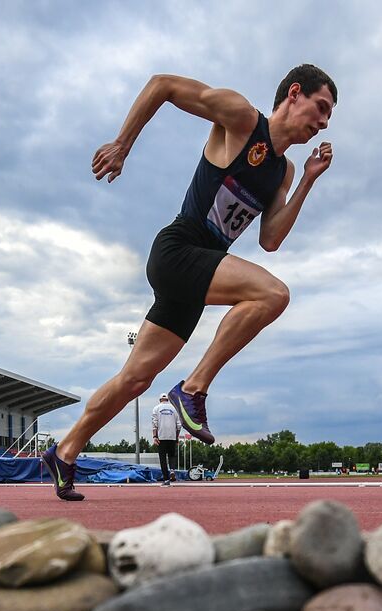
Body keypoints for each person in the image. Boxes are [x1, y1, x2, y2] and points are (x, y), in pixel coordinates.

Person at [41, 65, 337, 500]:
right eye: (321, 107)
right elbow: (163, 85)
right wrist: (122, 145)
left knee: (134, 380)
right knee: (273, 294)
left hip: (196, 272)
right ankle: (192, 389)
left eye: (329, 116)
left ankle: (64, 452)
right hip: (178, 251)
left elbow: (270, 239)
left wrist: (307, 181)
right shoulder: (240, 118)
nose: (325, 121)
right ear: (295, 94)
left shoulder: (284, 172)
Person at [150, 392, 181, 486]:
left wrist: (155, 437)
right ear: (168, 400)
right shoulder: (174, 409)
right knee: (172, 455)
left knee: (163, 458)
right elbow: (179, 425)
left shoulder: (156, 408)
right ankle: (172, 470)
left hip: (161, 436)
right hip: (172, 435)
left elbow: (154, 424)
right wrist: (176, 436)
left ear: (160, 400)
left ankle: (166, 479)